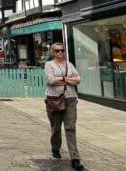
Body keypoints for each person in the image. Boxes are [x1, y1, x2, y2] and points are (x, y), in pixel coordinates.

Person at [44, 43, 84, 171]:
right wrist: (68, 79)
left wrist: (61, 79)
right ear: (53, 52)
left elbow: (78, 79)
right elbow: (51, 80)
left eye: (62, 50)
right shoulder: (49, 65)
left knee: (70, 127)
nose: (60, 53)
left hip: (70, 98)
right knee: (56, 127)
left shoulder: (70, 64)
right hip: (55, 99)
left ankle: (75, 158)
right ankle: (55, 147)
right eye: (57, 51)